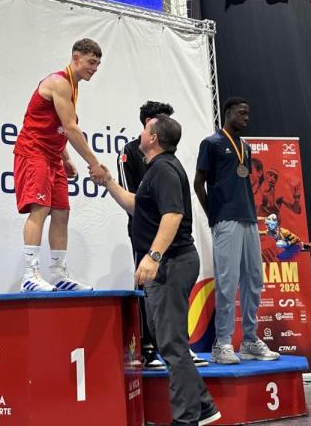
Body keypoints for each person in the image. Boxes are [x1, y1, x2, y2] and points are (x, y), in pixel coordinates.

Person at [101, 114, 220, 426]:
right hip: (168, 264)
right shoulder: (156, 170)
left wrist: (153, 256)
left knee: (171, 344)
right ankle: (204, 405)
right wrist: (108, 182)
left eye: (145, 128)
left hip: (172, 264)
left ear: (153, 138)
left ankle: (186, 419)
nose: (140, 133)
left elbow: (172, 215)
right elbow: (137, 206)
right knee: (169, 341)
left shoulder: (165, 169)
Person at [13, 38, 110, 292]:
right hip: (33, 152)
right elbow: (71, 128)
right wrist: (94, 164)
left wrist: (66, 159)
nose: (94, 68)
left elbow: (57, 129)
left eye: (98, 64)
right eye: (91, 62)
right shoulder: (59, 82)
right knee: (41, 208)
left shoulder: (72, 87)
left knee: (61, 212)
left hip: (52, 156)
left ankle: (57, 273)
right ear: (76, 58)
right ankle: (29, 275)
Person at [117, 100, 208, 370]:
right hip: (145, 234)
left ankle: (178, 347)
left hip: (173, 244)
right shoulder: (130, 153)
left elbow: (173, 212)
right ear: (148, 126)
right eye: (161, 122)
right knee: (147, 288)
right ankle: (147, 347)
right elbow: (134, 199)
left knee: (173, 296)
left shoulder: (169, 163)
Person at [193, 97, 279, 364]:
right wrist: (213, 217)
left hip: (250, 219)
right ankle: (223, 343)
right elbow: (198, 184)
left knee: (254, 280)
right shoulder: (211, 143)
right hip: (226, 220)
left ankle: (250, 340)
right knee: (227, 282)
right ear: (228, 113)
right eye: (242, 113)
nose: (246, 117)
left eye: (248, 113)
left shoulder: (245, 147)